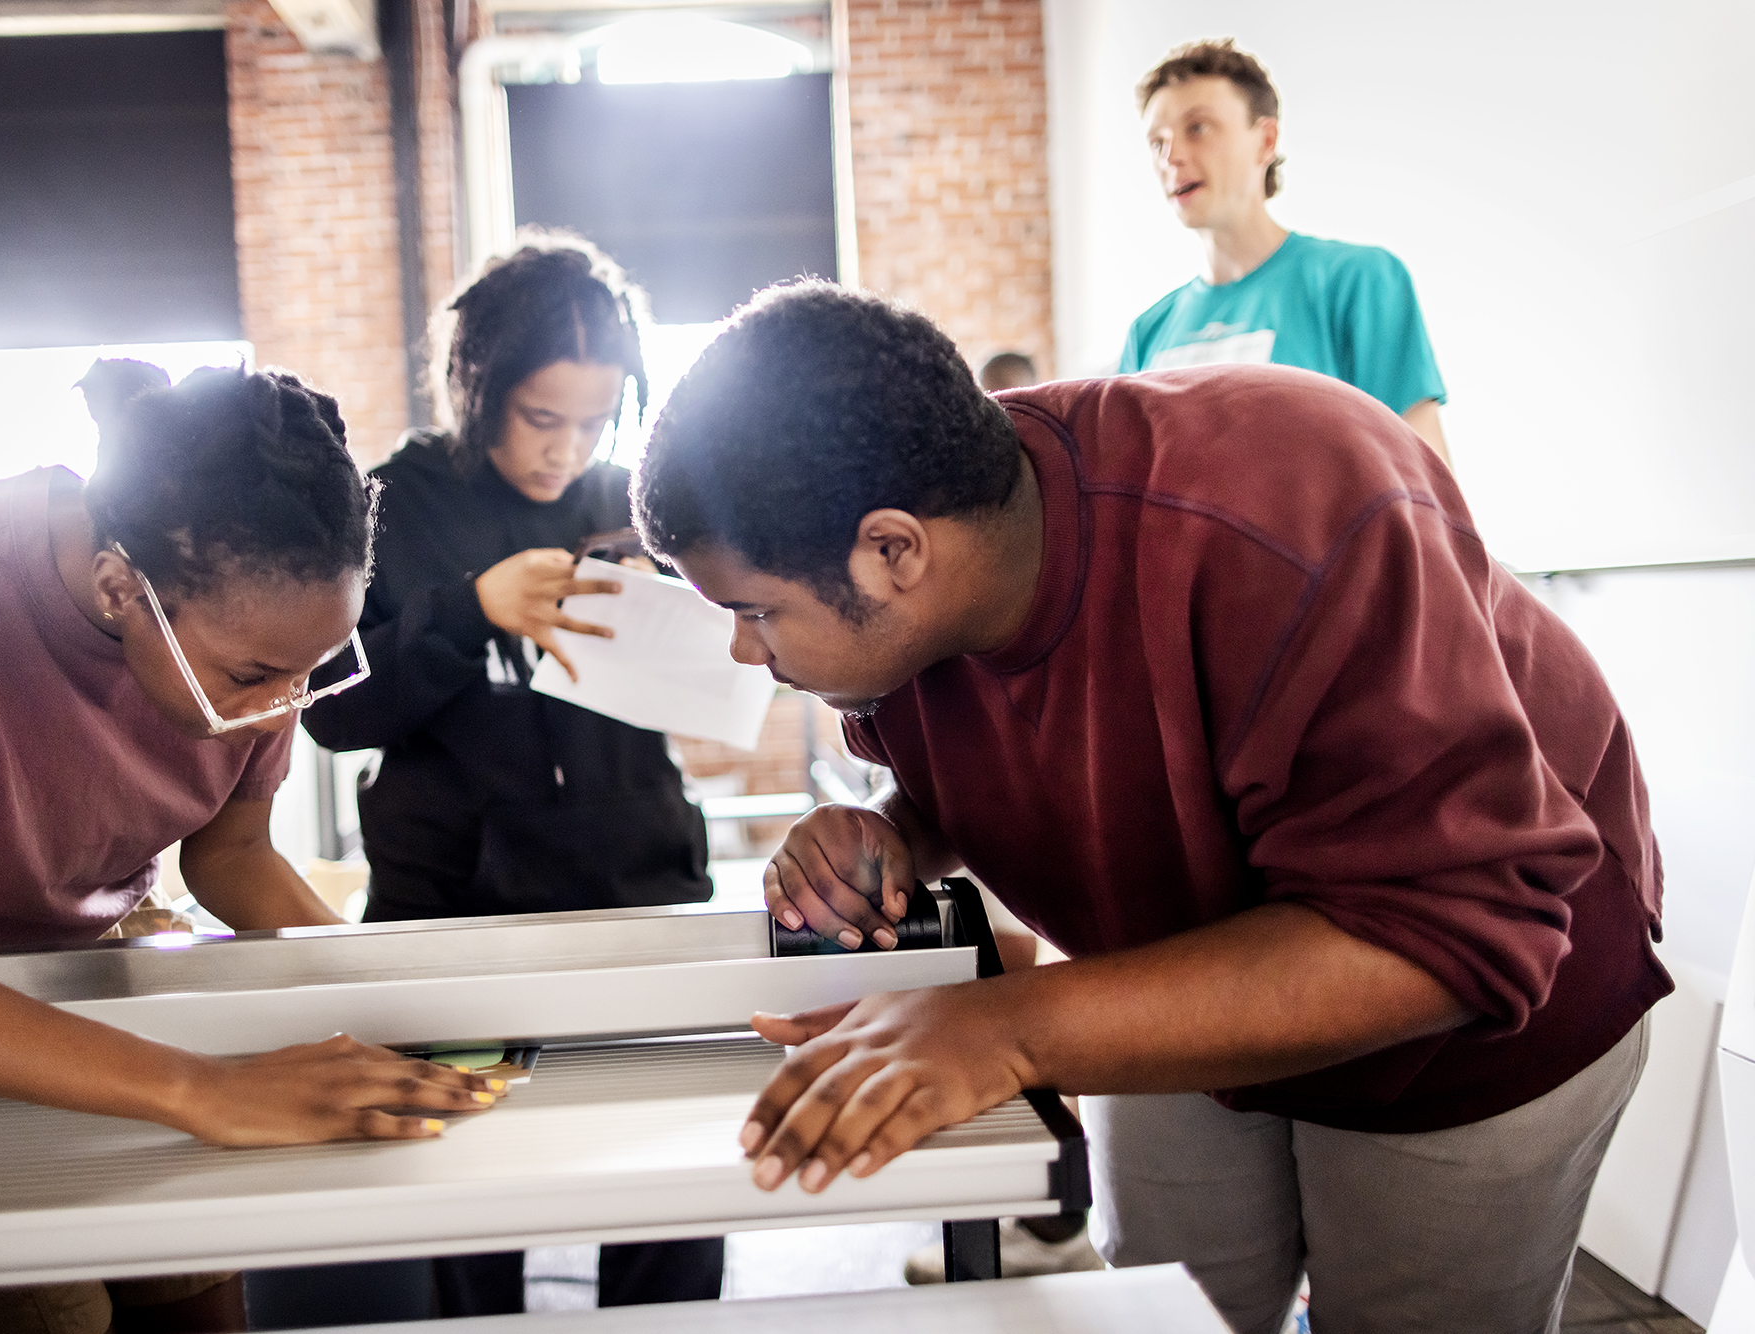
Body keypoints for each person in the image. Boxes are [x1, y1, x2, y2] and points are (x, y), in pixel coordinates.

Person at [632, 282, 1670, 1334]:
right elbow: (1025, 742)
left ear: (895, 549)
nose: (743, 653)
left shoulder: (1286, 502)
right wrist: (898, 827)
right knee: (1169, 1298)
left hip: (1468, 1005)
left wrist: (1006, 1028)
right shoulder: (906, 585)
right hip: (1172, 948)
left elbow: (1455, 931)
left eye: (755, 610)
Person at [0, 362, 500, 1334]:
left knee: (196, 1280)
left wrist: (403, 997)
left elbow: (229, 855)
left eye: (312, 672)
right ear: (118, 588)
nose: (279, 707)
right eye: (254, 675)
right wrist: (198, 1087)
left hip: (98, 973)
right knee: (53, 1310)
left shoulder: (260, 625)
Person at [301, 235, 723, 1317]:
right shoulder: (391, 504)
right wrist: (468, 609)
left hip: (635, 901)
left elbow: (716, 683)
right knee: (466, 1212)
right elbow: (334, 711)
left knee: (670, 1198)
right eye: (542, 417)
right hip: (455, 916)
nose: (565, 447)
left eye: (593, 419)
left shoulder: (634, 500)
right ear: (472, 385)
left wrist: (688, 627)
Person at [1122, 39, 1452, 466]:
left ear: (1266, 140)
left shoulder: (1359, 282)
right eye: (1156, 143)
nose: (1172, 157)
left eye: (1197, 128)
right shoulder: (1147, 333)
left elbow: (1428, 491)